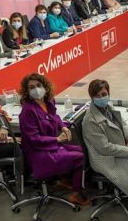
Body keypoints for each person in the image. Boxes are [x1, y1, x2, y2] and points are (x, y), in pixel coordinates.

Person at [18, 73, 88, 206]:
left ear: (45, 86)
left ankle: (63, 179)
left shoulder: (48, 101)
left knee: (85, 150)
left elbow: (54, 117)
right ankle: (76, 193)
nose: (36, 89)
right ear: (27, 91)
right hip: (40, 154)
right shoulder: (28, 110)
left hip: (52, 146)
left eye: (38, 85)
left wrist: (63, 127)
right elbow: (34, 139)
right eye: (31, 87)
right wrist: (57, 139)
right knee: (81, 157)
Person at [82, 79, 128, 198]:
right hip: (106, 158)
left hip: (118, 148)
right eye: (97, 96)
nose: (101, 98)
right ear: (92, 97)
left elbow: (122, 123)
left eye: (104, 94)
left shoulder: (108, 106)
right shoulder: (90, 120)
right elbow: (104, 148)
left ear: (109, 93)